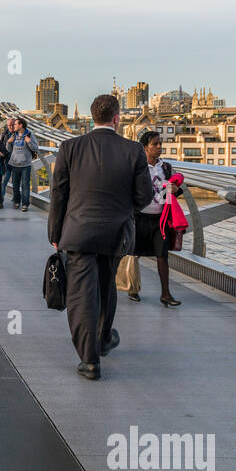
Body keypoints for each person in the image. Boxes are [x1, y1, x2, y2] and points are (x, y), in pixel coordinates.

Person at [47, 94, 153, 381]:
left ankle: (90, 360)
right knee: (107, 287)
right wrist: (121, 210)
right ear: (117, 118)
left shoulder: (70, 147)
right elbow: (144, 197)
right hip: (116, 233)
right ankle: (104, 338)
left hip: (78, 232)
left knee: (81, 296)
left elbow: (59, 194)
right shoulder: (134, 151)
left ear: (92, 118)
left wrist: (55, 233)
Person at [132, 130, 182, 307]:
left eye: (160, 143)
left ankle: (166, 294)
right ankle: (132, 288)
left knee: (162, 256)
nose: (160, 147)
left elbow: (175, 190)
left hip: (160, 219)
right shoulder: (136, 167)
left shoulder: (166, 167)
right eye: (155, 144)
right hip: (139, 218)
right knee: (133, 254)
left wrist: (177, 190)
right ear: (145, 147)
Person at [6, 117, 40, 212]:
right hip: (14, 164)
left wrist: (29, 142)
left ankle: (25, 204)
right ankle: (16, 202)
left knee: (25, 185)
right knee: (15, 185)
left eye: (15, 124)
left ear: (21, 125)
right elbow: (9, 150)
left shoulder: (29, 134)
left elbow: (35, 148)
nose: (14, 126)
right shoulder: (14, 135)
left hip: (25, 165)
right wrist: (8, 142)